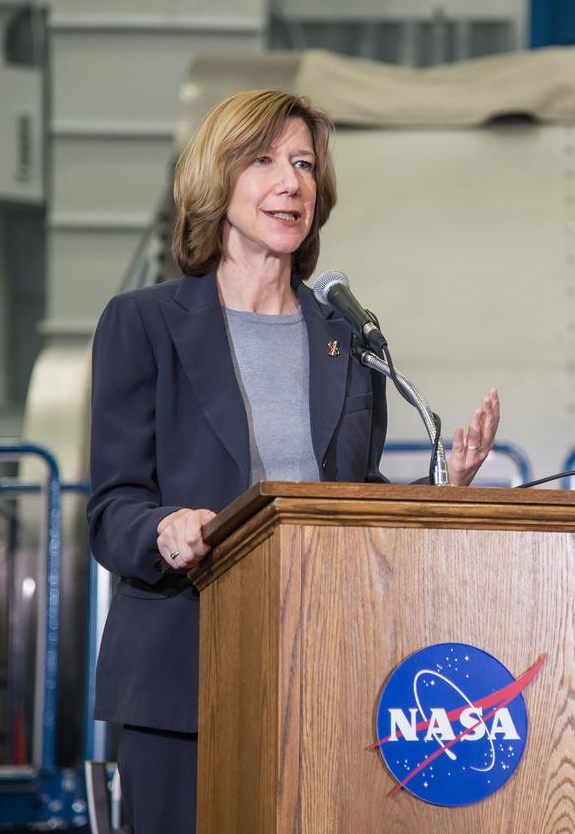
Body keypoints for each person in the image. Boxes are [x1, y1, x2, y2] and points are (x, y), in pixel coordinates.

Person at [86, 89, 500, 834]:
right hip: (184, 676)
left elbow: (355, 501)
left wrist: (443, 487)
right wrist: (164, 530)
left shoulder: (348, 338)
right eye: (264, 160)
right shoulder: (143, 324)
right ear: (217, 180)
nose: (291, 182)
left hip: (324, 675)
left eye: (305, 164)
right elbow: (112, 508)